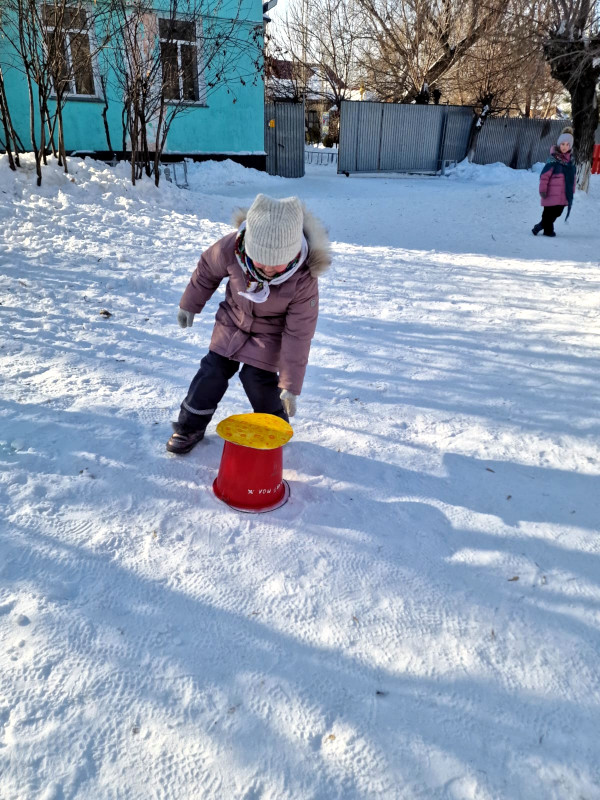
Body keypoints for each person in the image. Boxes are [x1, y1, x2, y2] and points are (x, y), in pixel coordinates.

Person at [166, 193, 331, 454]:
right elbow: (207, 270)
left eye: (277, 264)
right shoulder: (232, 248)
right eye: (261, 260)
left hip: (271, 334)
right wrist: (189, 304)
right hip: (233, 320)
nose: (268, 269)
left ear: (293, 253)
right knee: (213, 370)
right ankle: (189, 427)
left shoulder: (303, 278)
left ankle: (276, 427)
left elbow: (298, 334)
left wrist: (290, 385)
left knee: (257, 378)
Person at [532, 126, 576, 238]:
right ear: (558, 144)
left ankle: (541, 225)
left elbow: (573, 178)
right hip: (550, 192)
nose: (565, 147)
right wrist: (543, 189)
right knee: (548, 213)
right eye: (562, 144)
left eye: (567, 144)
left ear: (570, 146)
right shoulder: (553, 160)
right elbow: (544, 176)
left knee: (558, 212)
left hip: (563, 194)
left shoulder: (570, 162)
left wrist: (572, 191)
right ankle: (548, 231)